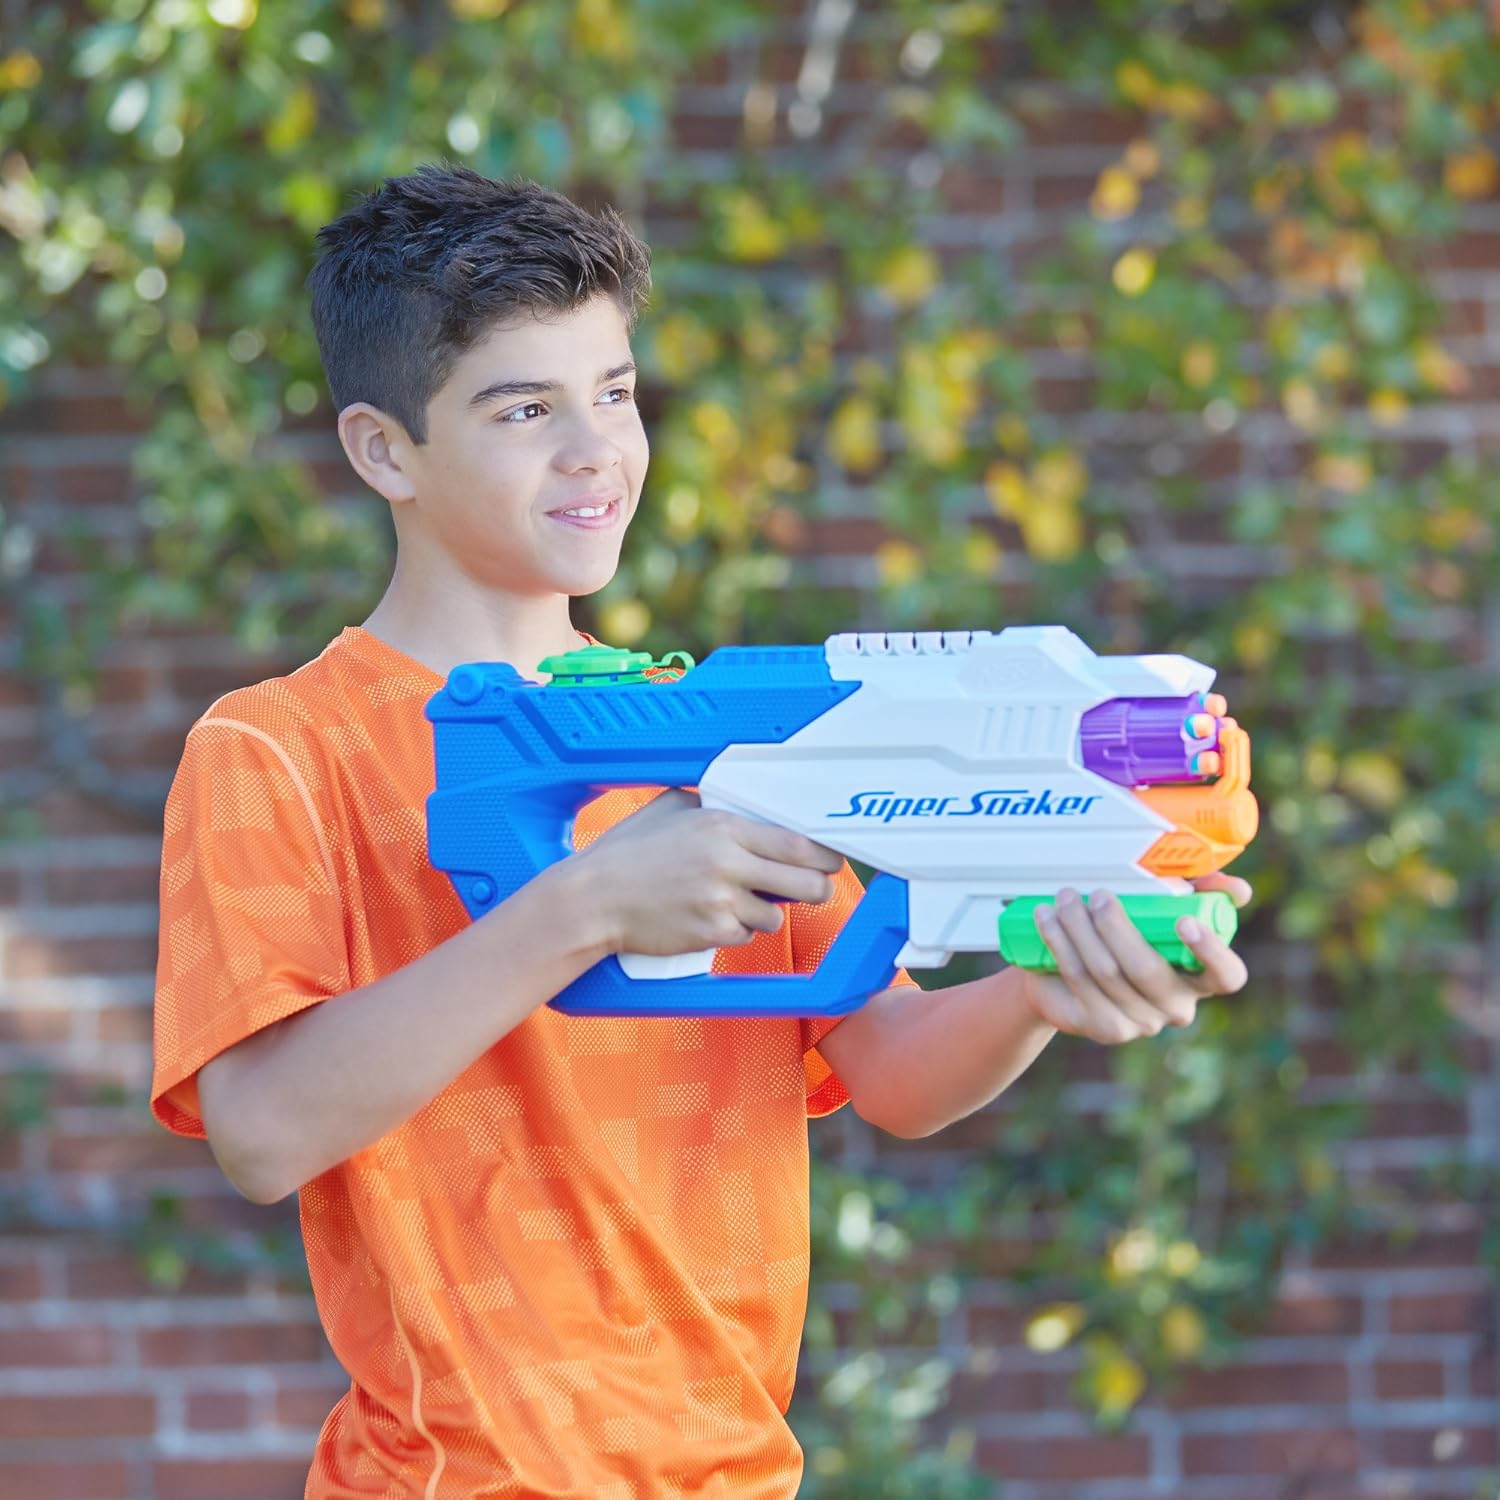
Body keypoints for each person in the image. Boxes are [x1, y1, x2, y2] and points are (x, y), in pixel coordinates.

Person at [150, 162, 1250, 1500]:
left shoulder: (723, 740)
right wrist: (586, 908)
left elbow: (890, 1069)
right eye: (524, 410)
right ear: (386, 450)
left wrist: (1043, 985)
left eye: (615, 394)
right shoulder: (278, 749)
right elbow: (264, 1131)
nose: (595, 451)